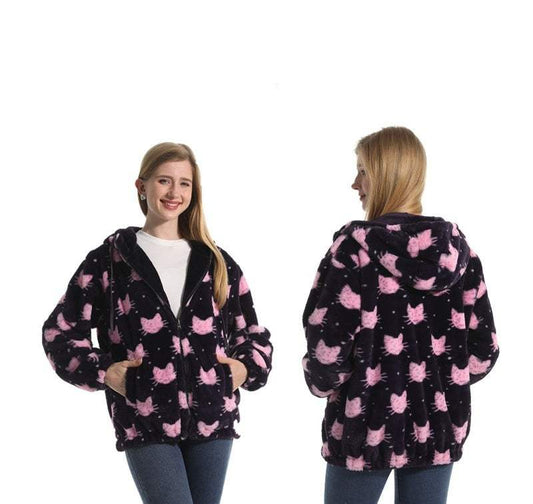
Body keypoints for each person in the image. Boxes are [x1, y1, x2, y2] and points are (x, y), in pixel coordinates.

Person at [42, 142, 273, 504]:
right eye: (164, 180)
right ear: (142, 186)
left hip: (213, 417)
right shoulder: (110, 261)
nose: (174, 192)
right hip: (145, 416)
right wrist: (106, 373)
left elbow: (253, 334)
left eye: (184, 183)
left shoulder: (216, 261)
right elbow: (60, 333)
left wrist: (243, 369)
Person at [302, 127, 499, 504]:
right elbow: (484, 350)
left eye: (363, 171)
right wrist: (438, 383)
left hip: (364, 428)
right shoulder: (457, 253)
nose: (355, 183)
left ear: (385, 174)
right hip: (436, 428)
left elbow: (328, 351)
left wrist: (326, 382)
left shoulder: (353, 250)